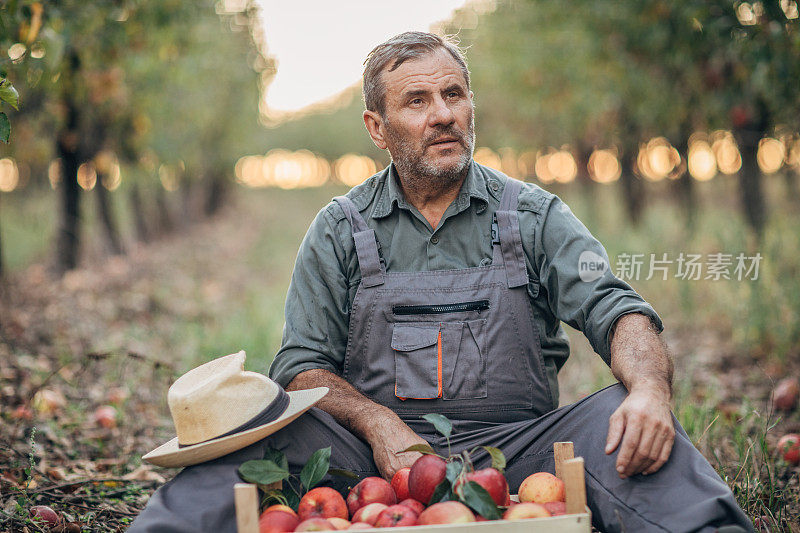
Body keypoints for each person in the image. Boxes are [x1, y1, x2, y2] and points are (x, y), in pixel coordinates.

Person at [130, 32, 753, 532]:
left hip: (518, 453)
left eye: (454, 95)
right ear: (378, 129)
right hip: (369, 462)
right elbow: (302, 366)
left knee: (623, 416)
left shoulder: (533, 216)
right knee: (257, 432)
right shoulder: (340, 229)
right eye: (417, 101)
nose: (443, 115)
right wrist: (377, 425)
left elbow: (617, 309)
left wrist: (648, 388)